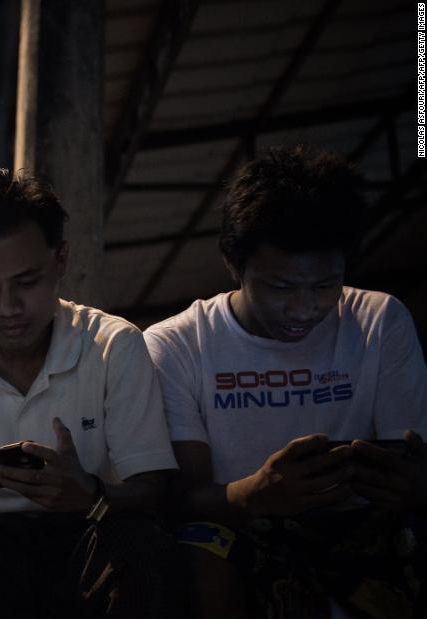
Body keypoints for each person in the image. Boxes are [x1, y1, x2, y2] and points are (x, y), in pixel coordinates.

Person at [143, 145, 427, 619]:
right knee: (196, 546)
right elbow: (180, 497)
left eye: (324, 286)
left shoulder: (380, 320)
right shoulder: (177, 345)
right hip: (245, 530)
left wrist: (413, 485)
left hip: (363, 527)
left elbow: (411, 457)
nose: (303, 310)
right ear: (235, 266)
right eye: (279, 288)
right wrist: (252, 494)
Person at [0, 167, 180, 618]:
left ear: (61, 261)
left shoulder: (112, 344)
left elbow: (153, 490)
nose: (7, 308)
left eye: (27, 282)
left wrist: (90, 495)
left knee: (141, 542)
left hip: (86, 535)